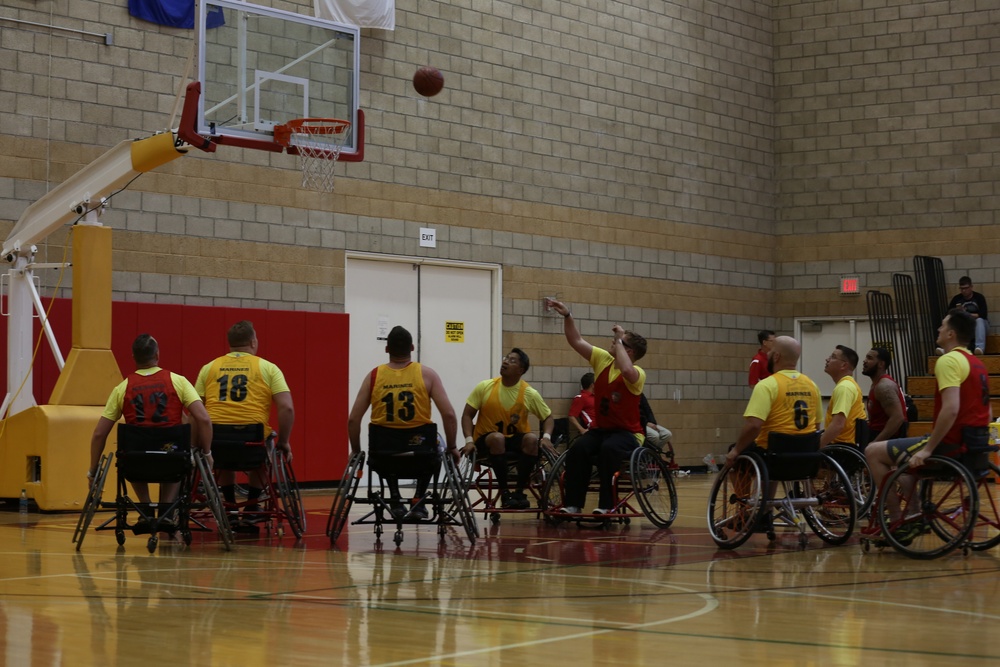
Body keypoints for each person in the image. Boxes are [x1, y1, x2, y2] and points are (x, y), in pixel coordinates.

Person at [865, 309, 991, 531]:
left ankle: (897, 520)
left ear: (951, 334)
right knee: (903, 462)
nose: (938, 329)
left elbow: (951, 409)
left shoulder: (948, 361)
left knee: (873, 452)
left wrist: (928, 448)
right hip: (976, 445)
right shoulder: (977, 363)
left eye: (942, 326)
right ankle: (913, 512)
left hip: (951, 445)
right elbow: (988, 413)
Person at [89, 334, 213, 533]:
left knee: (133, 454)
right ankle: (166, 510)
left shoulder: (122, 388)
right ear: (157, 354)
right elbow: (204, 419)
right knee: (177, 455)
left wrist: (92, 470)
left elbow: (98, 434)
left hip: (136, 461)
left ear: (133, 357)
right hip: (171, 457)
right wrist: (207, 453)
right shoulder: (177, 381)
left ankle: (145, 509)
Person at [544, 298, 647, 515]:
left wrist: (619, 339)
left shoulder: (637, 375)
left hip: (628, 433)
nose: (613, 342)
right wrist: (567, 315)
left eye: (619, 342)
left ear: (629, 352)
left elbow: (627, 371)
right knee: (578, 449)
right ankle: (573, 504)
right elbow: (576, 341)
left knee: (608, 450)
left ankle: (607, 506)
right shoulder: (602, 360)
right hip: (603, 430)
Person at [347, 325, 458, 519]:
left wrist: (356, 450)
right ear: (412, 348)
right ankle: (419, 500)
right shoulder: (427, 374)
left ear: (387, 349)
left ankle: (396, 499)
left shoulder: (373, 376)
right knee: (437, 447)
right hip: (421, 456)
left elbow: (353, 419)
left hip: (383, 457)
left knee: (387, 452)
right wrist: (453, 446)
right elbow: (449, 415)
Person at [195, 320, 294, 519]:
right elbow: (287, 408)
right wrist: (284, 442)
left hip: (217, 440)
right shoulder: (268, 368)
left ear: (229, 343)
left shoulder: (209, 368)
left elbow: (194, 410)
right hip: (252, 441)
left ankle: (230, 505)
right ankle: (251, 507)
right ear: (253, 341)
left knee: (222, 456)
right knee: (265, 448)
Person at [462, 348, 554, 509]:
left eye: (512, 361)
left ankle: (519, 492)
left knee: (532, 439)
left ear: (521, 370)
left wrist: (546, 437)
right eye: (506, 358)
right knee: (498, 438)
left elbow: (548, 418)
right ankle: (504, 492)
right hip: (486, 442)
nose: (505, 362)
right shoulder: (485, 386)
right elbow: (467, 415)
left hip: (513, 441)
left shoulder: (529, 393)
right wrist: (469, 440)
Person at [726, 336, 820, 468]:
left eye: (770, 352)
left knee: (736, 451)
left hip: (774, 455)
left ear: (776, 356)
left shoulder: (767, 385)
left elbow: (754, 425)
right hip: (806, 452)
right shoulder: (812, 385)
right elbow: (816, 424)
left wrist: (736, 450)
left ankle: (743, 489)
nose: (767, 354)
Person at [819, 345, 867, 447]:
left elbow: (837, 425)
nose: (827, 359)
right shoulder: (848, 384)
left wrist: (816, 447)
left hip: (841, 449)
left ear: (844, 365)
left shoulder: (844, 387)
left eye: (833, 357)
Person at [861, 347, 908, 442]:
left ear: (881, 364)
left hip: (888, 441)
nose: (865, 361)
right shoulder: (876, 384)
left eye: (869, 358)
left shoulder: (884, 386)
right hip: (878, 435)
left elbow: (898, 418)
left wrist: (875, 443)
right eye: (866, 357)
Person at [947, 276, 988, 355]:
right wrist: (958, 312)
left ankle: (979, 348)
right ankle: (947, 348)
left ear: (971, 287)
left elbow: (983, 315)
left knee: (979, 321)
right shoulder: (957, 299)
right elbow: (949, 313)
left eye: (966, 288)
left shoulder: (979, 297)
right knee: (949, 321)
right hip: (964, 325)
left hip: (979, 326)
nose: (964, 291)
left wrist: (966, 314)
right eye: (962, 289)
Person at [567, 372, 595, 441]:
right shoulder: (581, 398)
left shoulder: (596, 397)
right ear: (592, 385)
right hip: (593, 428)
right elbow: (571, 416)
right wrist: (582, 429)